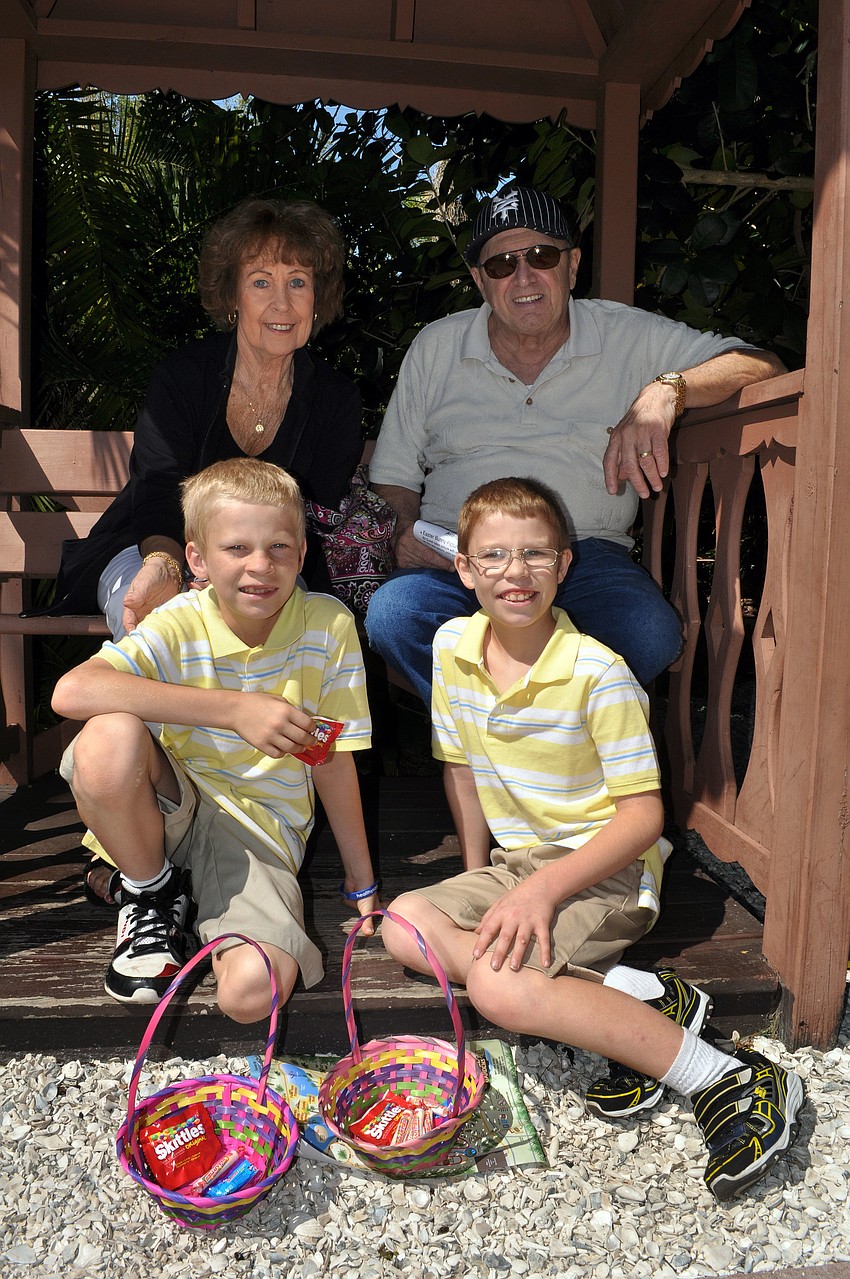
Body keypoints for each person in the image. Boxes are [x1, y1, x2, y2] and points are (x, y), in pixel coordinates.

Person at [380, 476, 804, 1202]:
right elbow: (460, 767)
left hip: (608, 870)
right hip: (521, 863)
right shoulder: (453, 645)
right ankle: (638, 997)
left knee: (497, 984)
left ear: (565, 565)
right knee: (403, 923)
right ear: (464, 568)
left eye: (536, 555)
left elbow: (643, 818)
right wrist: (483, 884)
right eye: (496, 556)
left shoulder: (597, 673)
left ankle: (727, 1075)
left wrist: (540, 892)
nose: (516, 572)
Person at [365, 185, 786, 701]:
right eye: (501, 265)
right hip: (461, 560)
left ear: (572, 265)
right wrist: (406, 531)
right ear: (479, 280)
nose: (523, 277)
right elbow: (394, 475)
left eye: (542, 256)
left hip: (581, 558)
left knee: (649, 634)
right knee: (395, 615)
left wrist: (665, 391)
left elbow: (761, 364)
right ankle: (541, 748)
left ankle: (503, 744)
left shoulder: (627, 334)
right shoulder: (436, 346)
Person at [51, 458, 380, 1018]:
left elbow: (331, 760)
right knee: (106, 737)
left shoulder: (329, 626)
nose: (260, 566)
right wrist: (234, 710)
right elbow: (72, 692)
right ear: (197, 560)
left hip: (257, 830)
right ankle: (151, 889)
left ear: (303, 553)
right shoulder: (180, 618)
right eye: (237, 549)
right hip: (168, 810)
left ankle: (177, 897)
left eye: (279, 547)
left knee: (254, 994)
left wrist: (361, 882)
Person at [44, 195, 362, 641]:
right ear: (233, 296)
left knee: (284, 632)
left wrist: (234, 571)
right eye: (260, 282)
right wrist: (167, 566)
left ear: (317, 297)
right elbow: (156, 491)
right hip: (155, 547)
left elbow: (309, 517)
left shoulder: (337, 399)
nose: (281, 303)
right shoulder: (182, 376)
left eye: (297, 282)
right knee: (160, 624)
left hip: (269, 562)